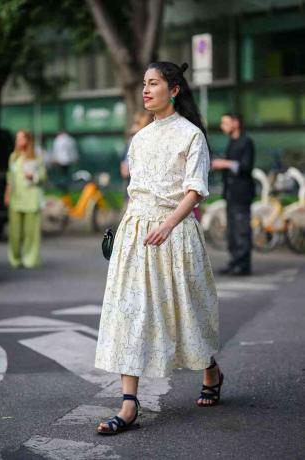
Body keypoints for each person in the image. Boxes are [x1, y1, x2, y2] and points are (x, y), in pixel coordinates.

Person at [95, 61, 222, 435]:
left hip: (176, 233)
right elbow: (136, 192)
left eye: (154, 83)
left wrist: (168, 224)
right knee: (129, 312)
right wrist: (123, 232)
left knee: (189, 313)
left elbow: (195, 189)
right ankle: (129, 404)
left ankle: (211, 371)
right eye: (144, 84)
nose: (146, 90)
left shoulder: (191, 136)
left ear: (175, 89)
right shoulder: (140, 139)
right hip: (136, 235)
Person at [212, 113, 255, 276]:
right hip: (231, 194)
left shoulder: (246, 142)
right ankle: (234, 262)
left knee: (241, 229)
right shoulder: (232, 142)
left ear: (236, 123)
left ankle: (242, 265)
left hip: (242, 194)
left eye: (226, 123)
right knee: (232, 230)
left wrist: (224, 163)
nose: (223, 126)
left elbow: (245, 166)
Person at [4, 130, 46, 268]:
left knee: (31, 233)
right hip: (16, 198)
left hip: (32, 198)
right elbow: (10, 176)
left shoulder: (36, 157)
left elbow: (43, 176)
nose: (18, 141)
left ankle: (30, 259)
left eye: (21, 139)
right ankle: (14, 258)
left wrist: (33, 177)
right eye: (17, 139)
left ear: (28, 140)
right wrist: (7, 193)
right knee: (15, 233)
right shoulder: (13, 157)